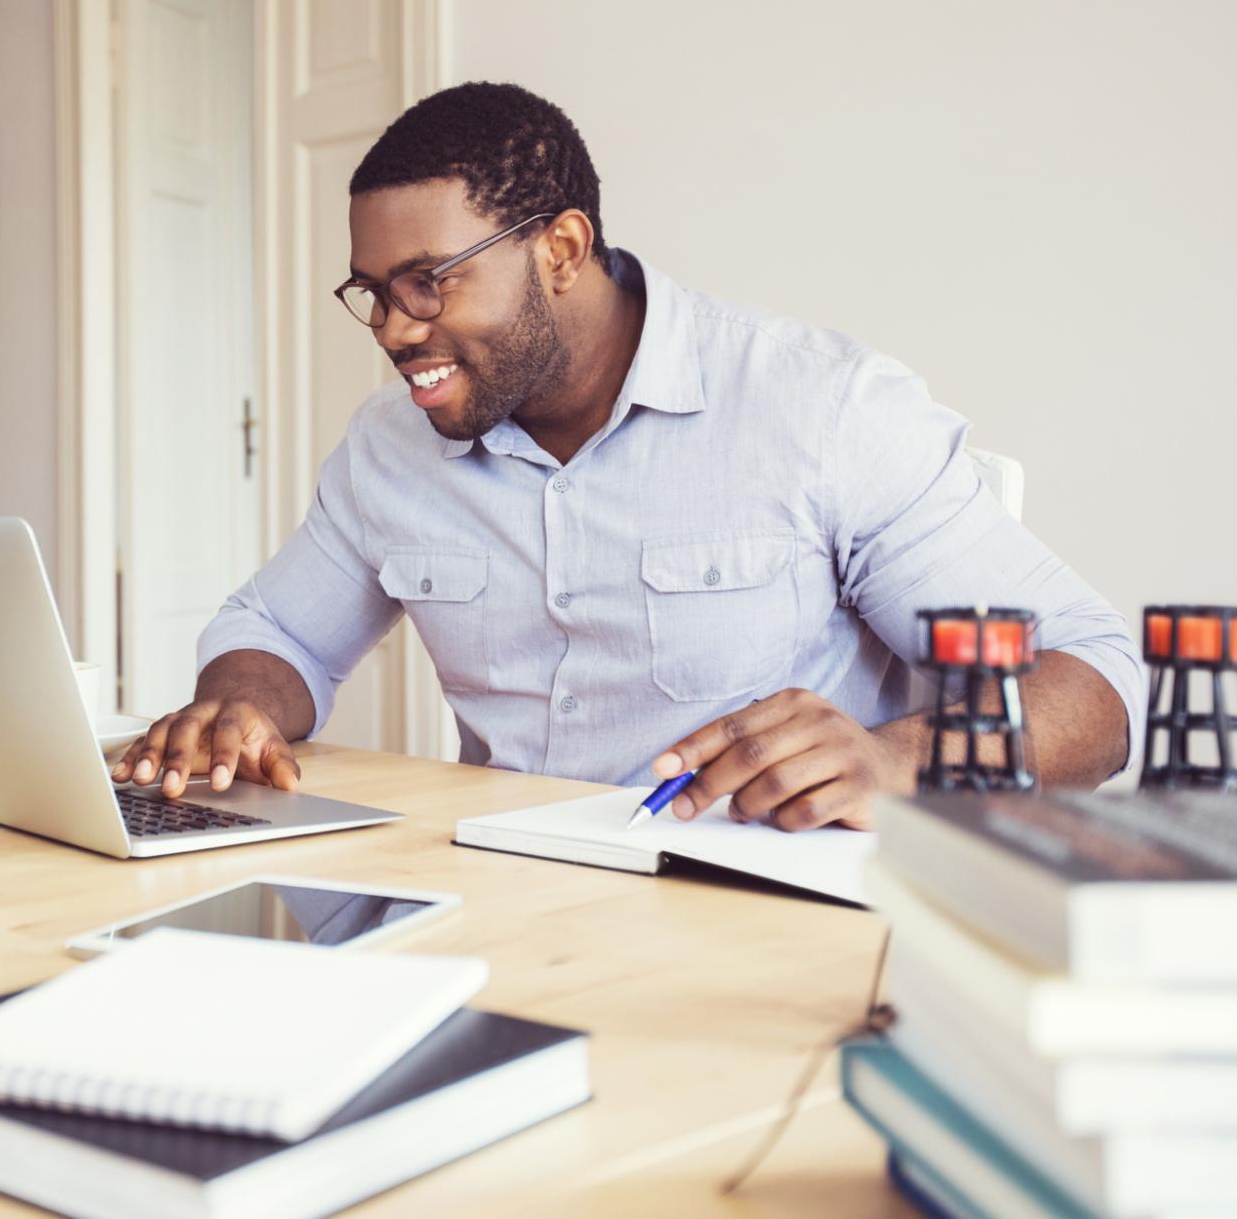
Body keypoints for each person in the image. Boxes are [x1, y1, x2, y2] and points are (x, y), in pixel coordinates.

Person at [111, 82, 1140, 831]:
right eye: (373, 290)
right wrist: (241, 701)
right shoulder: (389, 448)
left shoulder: (818, 407)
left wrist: (898, 758)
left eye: (427, 282)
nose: (389, 326)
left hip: (758, 918)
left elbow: (1096, 675)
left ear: (559, 249)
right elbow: (276, 628)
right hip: (496, 892)